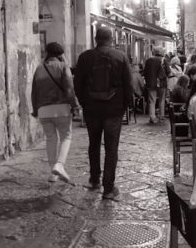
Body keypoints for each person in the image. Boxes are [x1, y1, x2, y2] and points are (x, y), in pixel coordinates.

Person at [74, 27, 132, 200]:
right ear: (111, 39)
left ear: (95, 38)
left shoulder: (85, 57)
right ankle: (108, 188)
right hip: (114, 110)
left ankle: (94, 179)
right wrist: (125, 105)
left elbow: (78, 84)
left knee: (94, 144)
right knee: (111, 148)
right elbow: (127, 83)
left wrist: (85, 103)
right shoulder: (120, 57)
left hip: (92, 109)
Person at [30, 42, 77, 183]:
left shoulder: (39, 69)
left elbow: (34, 92)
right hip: (61, 108)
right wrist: (74, 105)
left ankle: (53, 174)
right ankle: (60, 165)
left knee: (50, 138)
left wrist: (35, 109)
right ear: (60, 54)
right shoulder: (63, 67)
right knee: (66, 137)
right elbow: (69, 89)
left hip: (44, 110)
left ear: (47, 53)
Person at [142, 47, 169, 124]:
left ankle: (152, 117)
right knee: (161, 100)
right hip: (161, 83)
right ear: (161, 53)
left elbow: (145, 72)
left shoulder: (148, 60)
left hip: (151, 83)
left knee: (152, 100)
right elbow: (168, 72)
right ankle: (161, 116)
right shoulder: (163, 60)